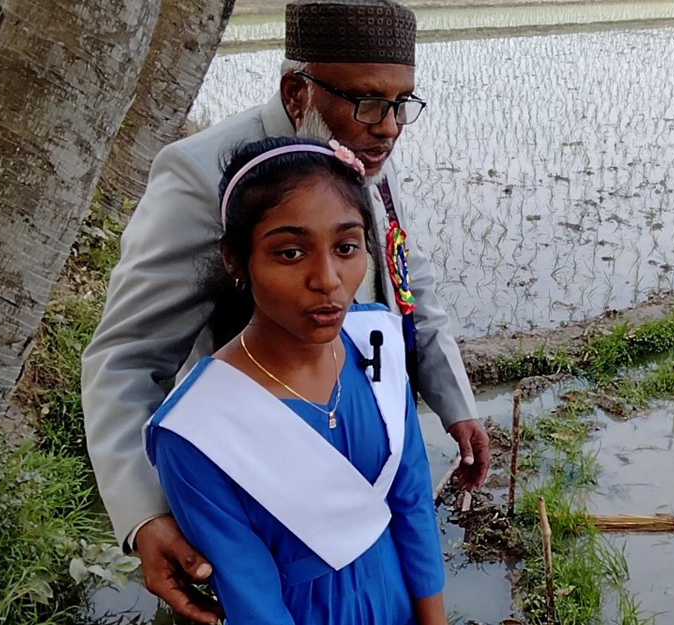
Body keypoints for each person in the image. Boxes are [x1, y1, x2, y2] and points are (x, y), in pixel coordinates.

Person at [81, 1, 487, 621]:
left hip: (364, 425)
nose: (390, 126)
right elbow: (124, 359)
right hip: (261, 480)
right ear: (298, 91)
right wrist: (145, 515)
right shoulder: (201, 176)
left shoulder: (360, 149)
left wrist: (454, 403)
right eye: (369, 100)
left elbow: (407, 279)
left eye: (403, 103)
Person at [145, 137, 446, 624]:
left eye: (346, 247)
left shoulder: (377, 345)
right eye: (290, 253)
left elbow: (411, 502)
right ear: (235, 259)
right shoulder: (196, 431)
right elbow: (252, 596)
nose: (327, 278)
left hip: (398, 600)